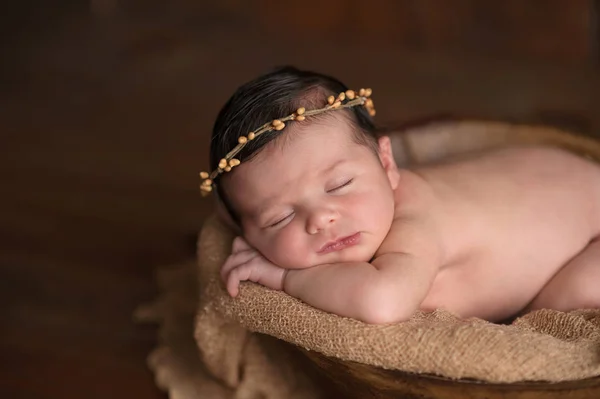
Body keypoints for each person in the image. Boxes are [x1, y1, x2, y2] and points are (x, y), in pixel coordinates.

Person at [200, 66, 600, 324]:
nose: (321, 218)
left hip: (589, 227)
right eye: (278, 219)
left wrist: (286, 277)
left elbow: (382, 303)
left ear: (387, 164)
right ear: (244, 232)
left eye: (339, 185)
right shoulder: (375, 201)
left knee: (566, 301)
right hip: (552, 176)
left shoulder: (413, 226)